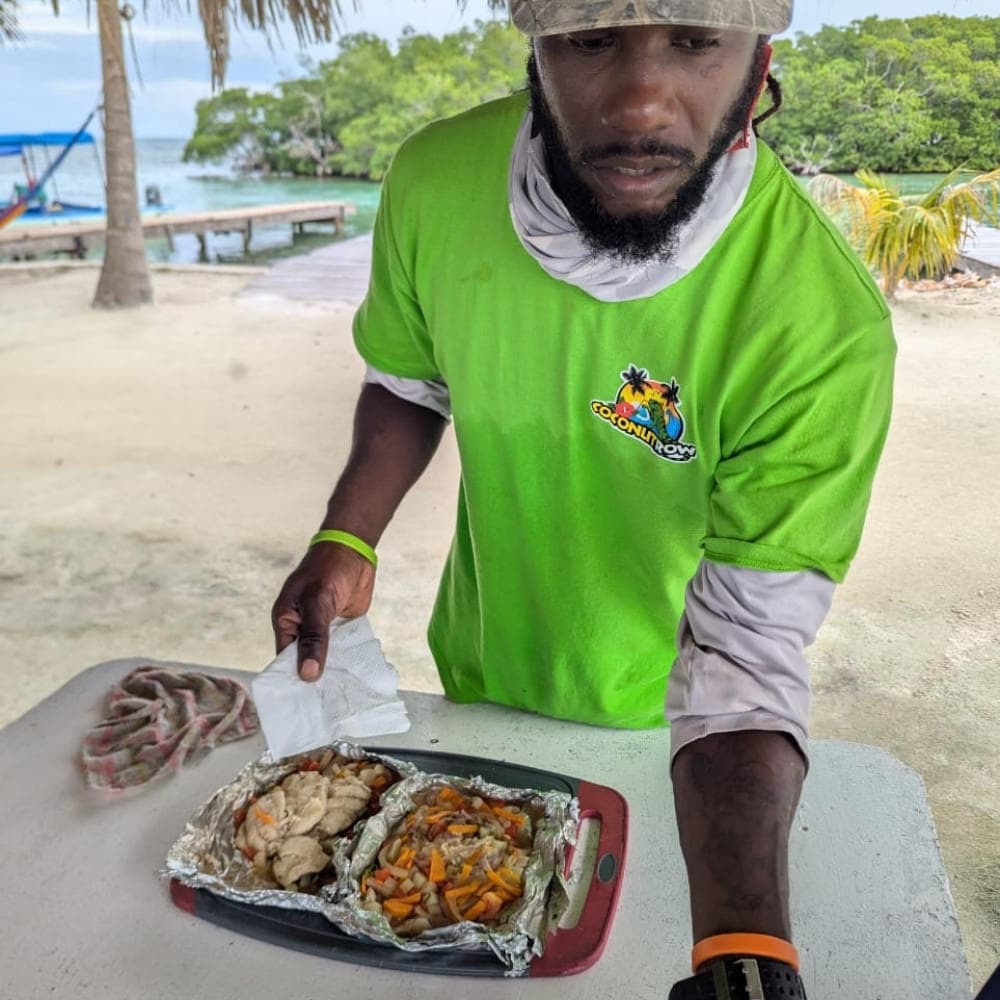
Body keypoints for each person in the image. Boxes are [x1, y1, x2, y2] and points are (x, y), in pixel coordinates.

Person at [272, 2, 896, 996]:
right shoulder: (434, 178)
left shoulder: (816, 327)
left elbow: (738, 667)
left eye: (693, 41)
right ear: (536, 49)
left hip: (682, 749)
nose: (641, 101)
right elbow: (409, 379)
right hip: (471, 681)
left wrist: (745, 950)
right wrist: (348, 533)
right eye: (592, 38)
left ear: (757, 66)